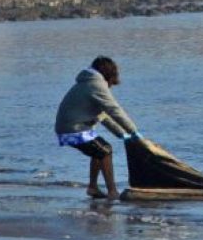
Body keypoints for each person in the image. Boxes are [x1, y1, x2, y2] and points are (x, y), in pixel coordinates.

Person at [55, 56, 140, 200]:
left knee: (98, 150)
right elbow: (114, 110)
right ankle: (112, 192)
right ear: (108, 75)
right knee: (105, 151)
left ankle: (93, 188)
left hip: (73, 127)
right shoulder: (96, 85)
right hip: (72, 129)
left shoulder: (88, 83)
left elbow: (103, 115)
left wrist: (122, 134)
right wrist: (134, 131)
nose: (111, 86)